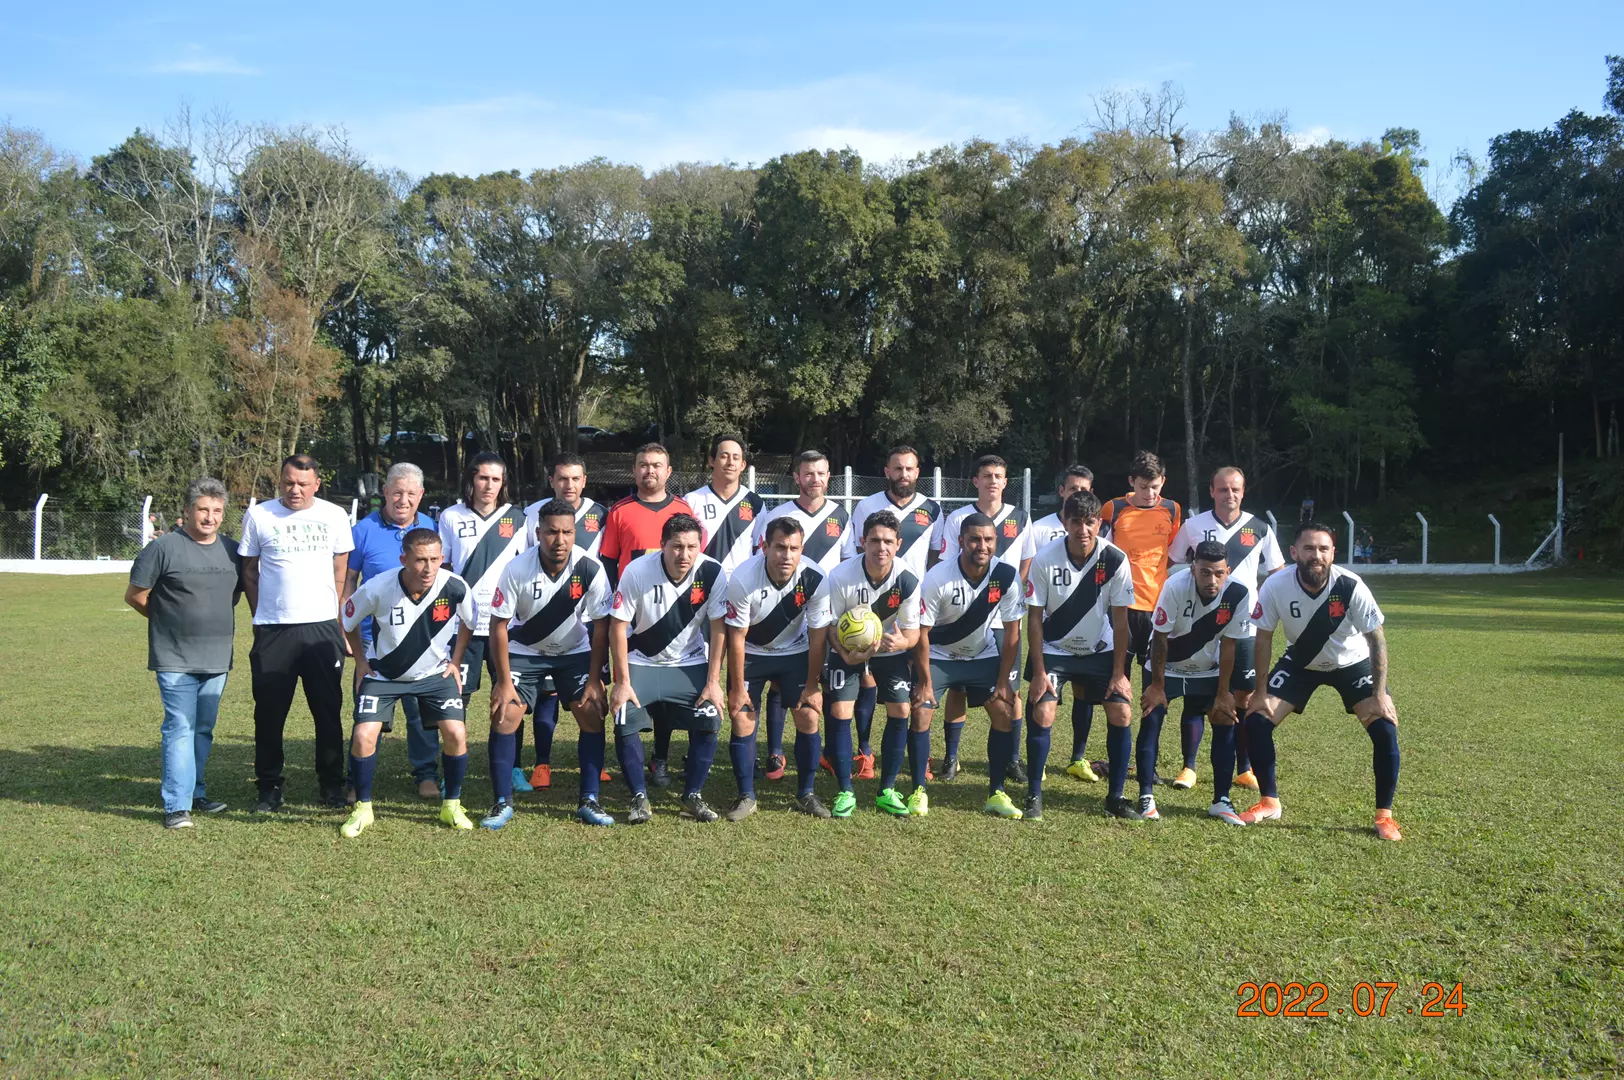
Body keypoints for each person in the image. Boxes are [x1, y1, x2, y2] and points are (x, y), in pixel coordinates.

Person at [1239, 523, 1403, 841]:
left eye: (1323, 549)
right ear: (1294, 552)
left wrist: (1380, 693)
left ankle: (1384, 816)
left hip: (1352, 664)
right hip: (1301, 664)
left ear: (1332, 554)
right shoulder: (1275, 585)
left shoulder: (1351, 585)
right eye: (1309, 548)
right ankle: (1269, 802)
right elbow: (1263, 639)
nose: (1317, 555)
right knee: (1257, 721)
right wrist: (1260, 692)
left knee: (1384, 727)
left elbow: (1377, 640)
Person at [481, 500, 613, 829]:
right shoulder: (517, 568)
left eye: (567, 532)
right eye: (552, 532)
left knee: (591, 711)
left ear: (575, 532)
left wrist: (595, 679)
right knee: (506, 712)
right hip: (526, 650)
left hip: (574, 651)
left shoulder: (590, 568)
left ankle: (589, 799)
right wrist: (503, 681)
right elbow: (498, 624)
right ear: (538, 533)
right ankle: (501, 802)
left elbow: (601, 626)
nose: (560, 539)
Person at [338, 529, 477, 837]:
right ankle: (363, 809)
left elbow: (469, 621)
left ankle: (451, 806)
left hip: (433, 675)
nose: (428, 568)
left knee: (456, 732)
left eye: (435, 559)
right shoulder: (377, 588)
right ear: (404, 559)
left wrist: (456, 660)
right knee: (363, 736)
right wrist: (362, 662)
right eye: (420, 560)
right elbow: (347, 621)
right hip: (384, 675)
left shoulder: (455, 586)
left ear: (443, 558)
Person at [240, 454, 355, 812]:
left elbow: (341, 570)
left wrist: (334, 614)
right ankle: (269, 786)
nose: (295, 490)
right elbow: (249, 572)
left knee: (327, 711)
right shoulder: (259, 515)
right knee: (270, 713)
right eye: (289, 482)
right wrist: (262, 616)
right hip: (274, 631)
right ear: (280, 481)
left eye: (303, 484)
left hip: (322, 631)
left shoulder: (334, 516)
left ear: (317, 484)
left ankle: (332, 785)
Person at [125, 477, 241, 829]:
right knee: (179, 726)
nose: (210, 517)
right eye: (203, 510)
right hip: (174, 657)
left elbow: (232, 598)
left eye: (217, 511)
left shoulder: (233, 550)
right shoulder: (163, 549)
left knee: (203, 729)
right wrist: (167, 622)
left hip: (218, 658)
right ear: (188, 511)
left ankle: (194, 792)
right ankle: (176, 805)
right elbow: (135, 595)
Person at [1167, 465, 1285, 792]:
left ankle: (1244, 768)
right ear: (1212, 491)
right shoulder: (1193, 526)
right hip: (1200, 623)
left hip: (1244, 626)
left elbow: (1277, 572)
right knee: (1196, 696)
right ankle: (1188, 767)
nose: (1229, 494)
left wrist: (1265, 606)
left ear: (1243, 492)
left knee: (1242, 696)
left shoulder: (1259, 528)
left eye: (1235, 489)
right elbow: (1175, 562)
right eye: (1223, 489)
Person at [606, 514, 727, 823]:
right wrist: (621, 681)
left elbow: (719, 627)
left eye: (691, 547)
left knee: (711, 715)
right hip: (641, 662)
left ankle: (692, 796)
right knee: (623, 714)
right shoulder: (637, 571)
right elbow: (618, 627)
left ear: (700, 546)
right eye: (676, 546)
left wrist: (713, 681)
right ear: (661, 545)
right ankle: (638, 797)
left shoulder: (712, 572)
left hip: (689, 662)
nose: (683, 555)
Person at [1026, 490, 1138, 820]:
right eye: (1076, 522)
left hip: (1099, 651)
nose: (1083, 530)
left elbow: (1121, 622)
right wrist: (1038, 672)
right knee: (1043, 712)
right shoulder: (1045, 558)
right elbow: (1034, 617)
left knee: (1122, 715)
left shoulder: (1115, 559)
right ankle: (1033, 794)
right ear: (1065, 522)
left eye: (1090, 523)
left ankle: (1115, 797)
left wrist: (1119, 674)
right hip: (1055, 649)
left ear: (1099, 523)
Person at [748, 449, 853, 779]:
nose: (815, 479)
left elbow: (849, 563)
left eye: (821, 473)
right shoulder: (777, 514)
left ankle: (829, 752)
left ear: (828, 477)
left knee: (828, 685)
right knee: (781, 685)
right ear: (796, 477)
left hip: (828, 611)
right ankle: (776, 753)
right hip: (786, 611)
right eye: (808, 473)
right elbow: (759, 557)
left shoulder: (842, 516)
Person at [814, 510, 924, 818]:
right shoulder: (840, 575)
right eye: (874, 540)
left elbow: (913, 634)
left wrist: (901, 643)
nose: (881, 548)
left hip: (890, 651)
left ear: (898, 544)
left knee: (902, 709)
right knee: (839, 710)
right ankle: (845, 790)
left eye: (888, 541)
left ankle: (887, 789)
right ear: (863, 542)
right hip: (847, 651)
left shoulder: (907, 579)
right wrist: (847, 653)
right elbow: (831, 627)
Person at [1136, 540, 1255, 824]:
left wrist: (1224, 692)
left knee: (1224, 718)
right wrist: (1156, 685)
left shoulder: (1239, 592)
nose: (1211, 580)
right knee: (1152, 716)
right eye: (1204, 572)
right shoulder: (1175, 586)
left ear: (1228, 570)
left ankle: (1221, 800)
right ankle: (1146, 796)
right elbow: (1161, 638)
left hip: (1208, 668)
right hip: (1167, 666)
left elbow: (1229, 645)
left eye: (1218, 573)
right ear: (1193, 569)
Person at [598, 443, 696, 786]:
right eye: (642, 465)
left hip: (671, 616)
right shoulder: (619, 511)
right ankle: (632, 759)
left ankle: (660, 758)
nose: (649, 471)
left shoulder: (684, 509)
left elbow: (694, 558)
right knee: (631, 689)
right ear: (634, 470)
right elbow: (609, 562)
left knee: (665, 696)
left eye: (656, 465)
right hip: (631, 617)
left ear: (668, 472)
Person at [914, 513, 1023, 819]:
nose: (982, 546)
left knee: (1003, 709)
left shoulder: (1006, 575)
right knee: (921, 710)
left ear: (995, 542)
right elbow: (922, 633)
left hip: (982, 654)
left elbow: (1013, 632)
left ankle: (997, 792)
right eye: (974, 539)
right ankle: (918, 791)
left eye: (988, 540)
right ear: (961, 541)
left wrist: (1004, 681)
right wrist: (924, 681)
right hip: (939, 654)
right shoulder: (938, 577)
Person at [515, 452, 612, 791]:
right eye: (562, 478)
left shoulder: (602, 514)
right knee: (546, 695)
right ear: (551, 481)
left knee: (591, 697)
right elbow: (529, 561)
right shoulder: (532, 515)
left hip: (587, 619)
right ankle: (542, 763)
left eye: (575, 478)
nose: (568, 485)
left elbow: (606, 560)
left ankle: (594, 765)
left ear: (584, 481)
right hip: (544, 617)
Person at [344, 462, 442, 800]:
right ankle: (356, 780)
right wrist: (348, 629)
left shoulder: (430, 527)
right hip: (375, 641)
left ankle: (426, 774)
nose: (403, 500)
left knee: (420, 713)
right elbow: (348, 583)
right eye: (396, 492)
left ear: (421, 496)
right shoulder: (363, 530)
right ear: (384, 492)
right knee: (369, 712)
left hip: (420, 641)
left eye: (411, 494)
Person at [722, 517, 830, 819]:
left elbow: (818, 635)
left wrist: (812, 685)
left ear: (802, 548)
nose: (787, 555)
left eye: (794, 548)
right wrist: (737, 687)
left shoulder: (816, 577)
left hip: (794, 653)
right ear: (765, 547)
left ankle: (806, 793)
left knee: (809, 715)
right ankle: (746, 796)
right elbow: (737, 637)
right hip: (752, 654)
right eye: (780, 547)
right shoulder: (744, 578)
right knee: (743, 719)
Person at [932, 455, 1029, 781]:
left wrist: (1007, 597)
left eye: (998, 476)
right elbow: (948, 562)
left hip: (1003, 620)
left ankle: (1011, 759)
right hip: (962, 616)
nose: (992, 481)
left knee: (1009, 691)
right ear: (975, 481)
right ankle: (952, 758)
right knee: (957, 686)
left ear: (1005, 481)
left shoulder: (1020, 517)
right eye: (986, 475)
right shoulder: (958, 517)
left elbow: (1025, 562)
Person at [845, 446, 940, 776]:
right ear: (887, 471)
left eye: (910, 469)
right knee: (867, 679)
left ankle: (919, 755)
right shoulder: (867, 506)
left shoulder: (932, 509)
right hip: (868, 603)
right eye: (897, 468)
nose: (904, 475)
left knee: (914, 683)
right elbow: (853, 552)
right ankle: (864, 751)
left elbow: (937, 557)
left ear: (917, 472)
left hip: (912, 605)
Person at [436, 451, 528, 743]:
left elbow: (525, 568)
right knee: (457, 695)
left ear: (503, 483)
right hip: (464, 624)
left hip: (505, 625)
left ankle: (509, 766)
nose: (489, 485)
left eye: (495, 479)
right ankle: (455, 761)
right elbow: (444, 571)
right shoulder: (451, 516)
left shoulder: (517, 518)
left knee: (509, 695)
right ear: (472, 480)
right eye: (483, 478)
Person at [1100, 451, 1183, 757]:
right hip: (1121, 609)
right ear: (1131, 482)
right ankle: (1117, 758)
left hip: (1158, 612)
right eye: (1143, 487)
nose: (1150, 494)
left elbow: (1171, 553)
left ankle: (1147, 760)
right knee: (1117, 686)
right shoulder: (1114, 508)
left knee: (1154, 687)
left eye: (1155, 487)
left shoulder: (1173, 510)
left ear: (1163, 482)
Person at [1022, 465, 1102, 780]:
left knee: (1085, 693)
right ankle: (1035, 761)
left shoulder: (1096, 531)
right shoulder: (1040, 528)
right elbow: (1030, 572)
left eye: (1084, 490)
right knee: (1042, 695)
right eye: (1072, 489)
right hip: (1050, 628)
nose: (1078, 494)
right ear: (1062, 491)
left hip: (1085, 626)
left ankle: (1077, 758)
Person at [685, 434, 766, 575]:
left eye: (736, 458)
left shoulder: (756, 504)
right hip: (701, 583)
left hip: (741, 585)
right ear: (712, 461)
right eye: (724, 456)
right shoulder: (692, 500)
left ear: (742, 465)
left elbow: (760, 550)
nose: (730, 462)